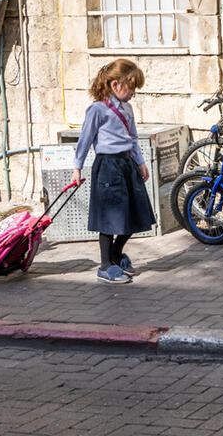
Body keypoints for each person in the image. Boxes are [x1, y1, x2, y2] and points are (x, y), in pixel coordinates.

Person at [72, 59, 155, 284]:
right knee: (110, 219)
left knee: (135, 214)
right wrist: (77, 168)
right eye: (131, 88)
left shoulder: (127, 109)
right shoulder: (97, 109)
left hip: (126, 165)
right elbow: (85, 140)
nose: (133, 94)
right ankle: (105, 266)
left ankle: (117, 255)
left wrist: (140, 162)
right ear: (116, 84)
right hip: (107, 167)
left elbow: (134, 138)